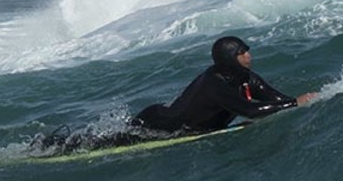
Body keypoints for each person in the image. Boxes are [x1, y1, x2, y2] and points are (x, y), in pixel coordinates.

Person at [132, 35, 317, 135]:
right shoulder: (215, 85)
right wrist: (294, 103)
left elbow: (277, 99)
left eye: (247, 51)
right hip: (156, 124)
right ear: (229, 58)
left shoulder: (246, 78)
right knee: (112, 142)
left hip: (174, 119)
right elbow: (250, 110)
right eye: (241, 53)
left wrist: (299, 102)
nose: (248, 56)